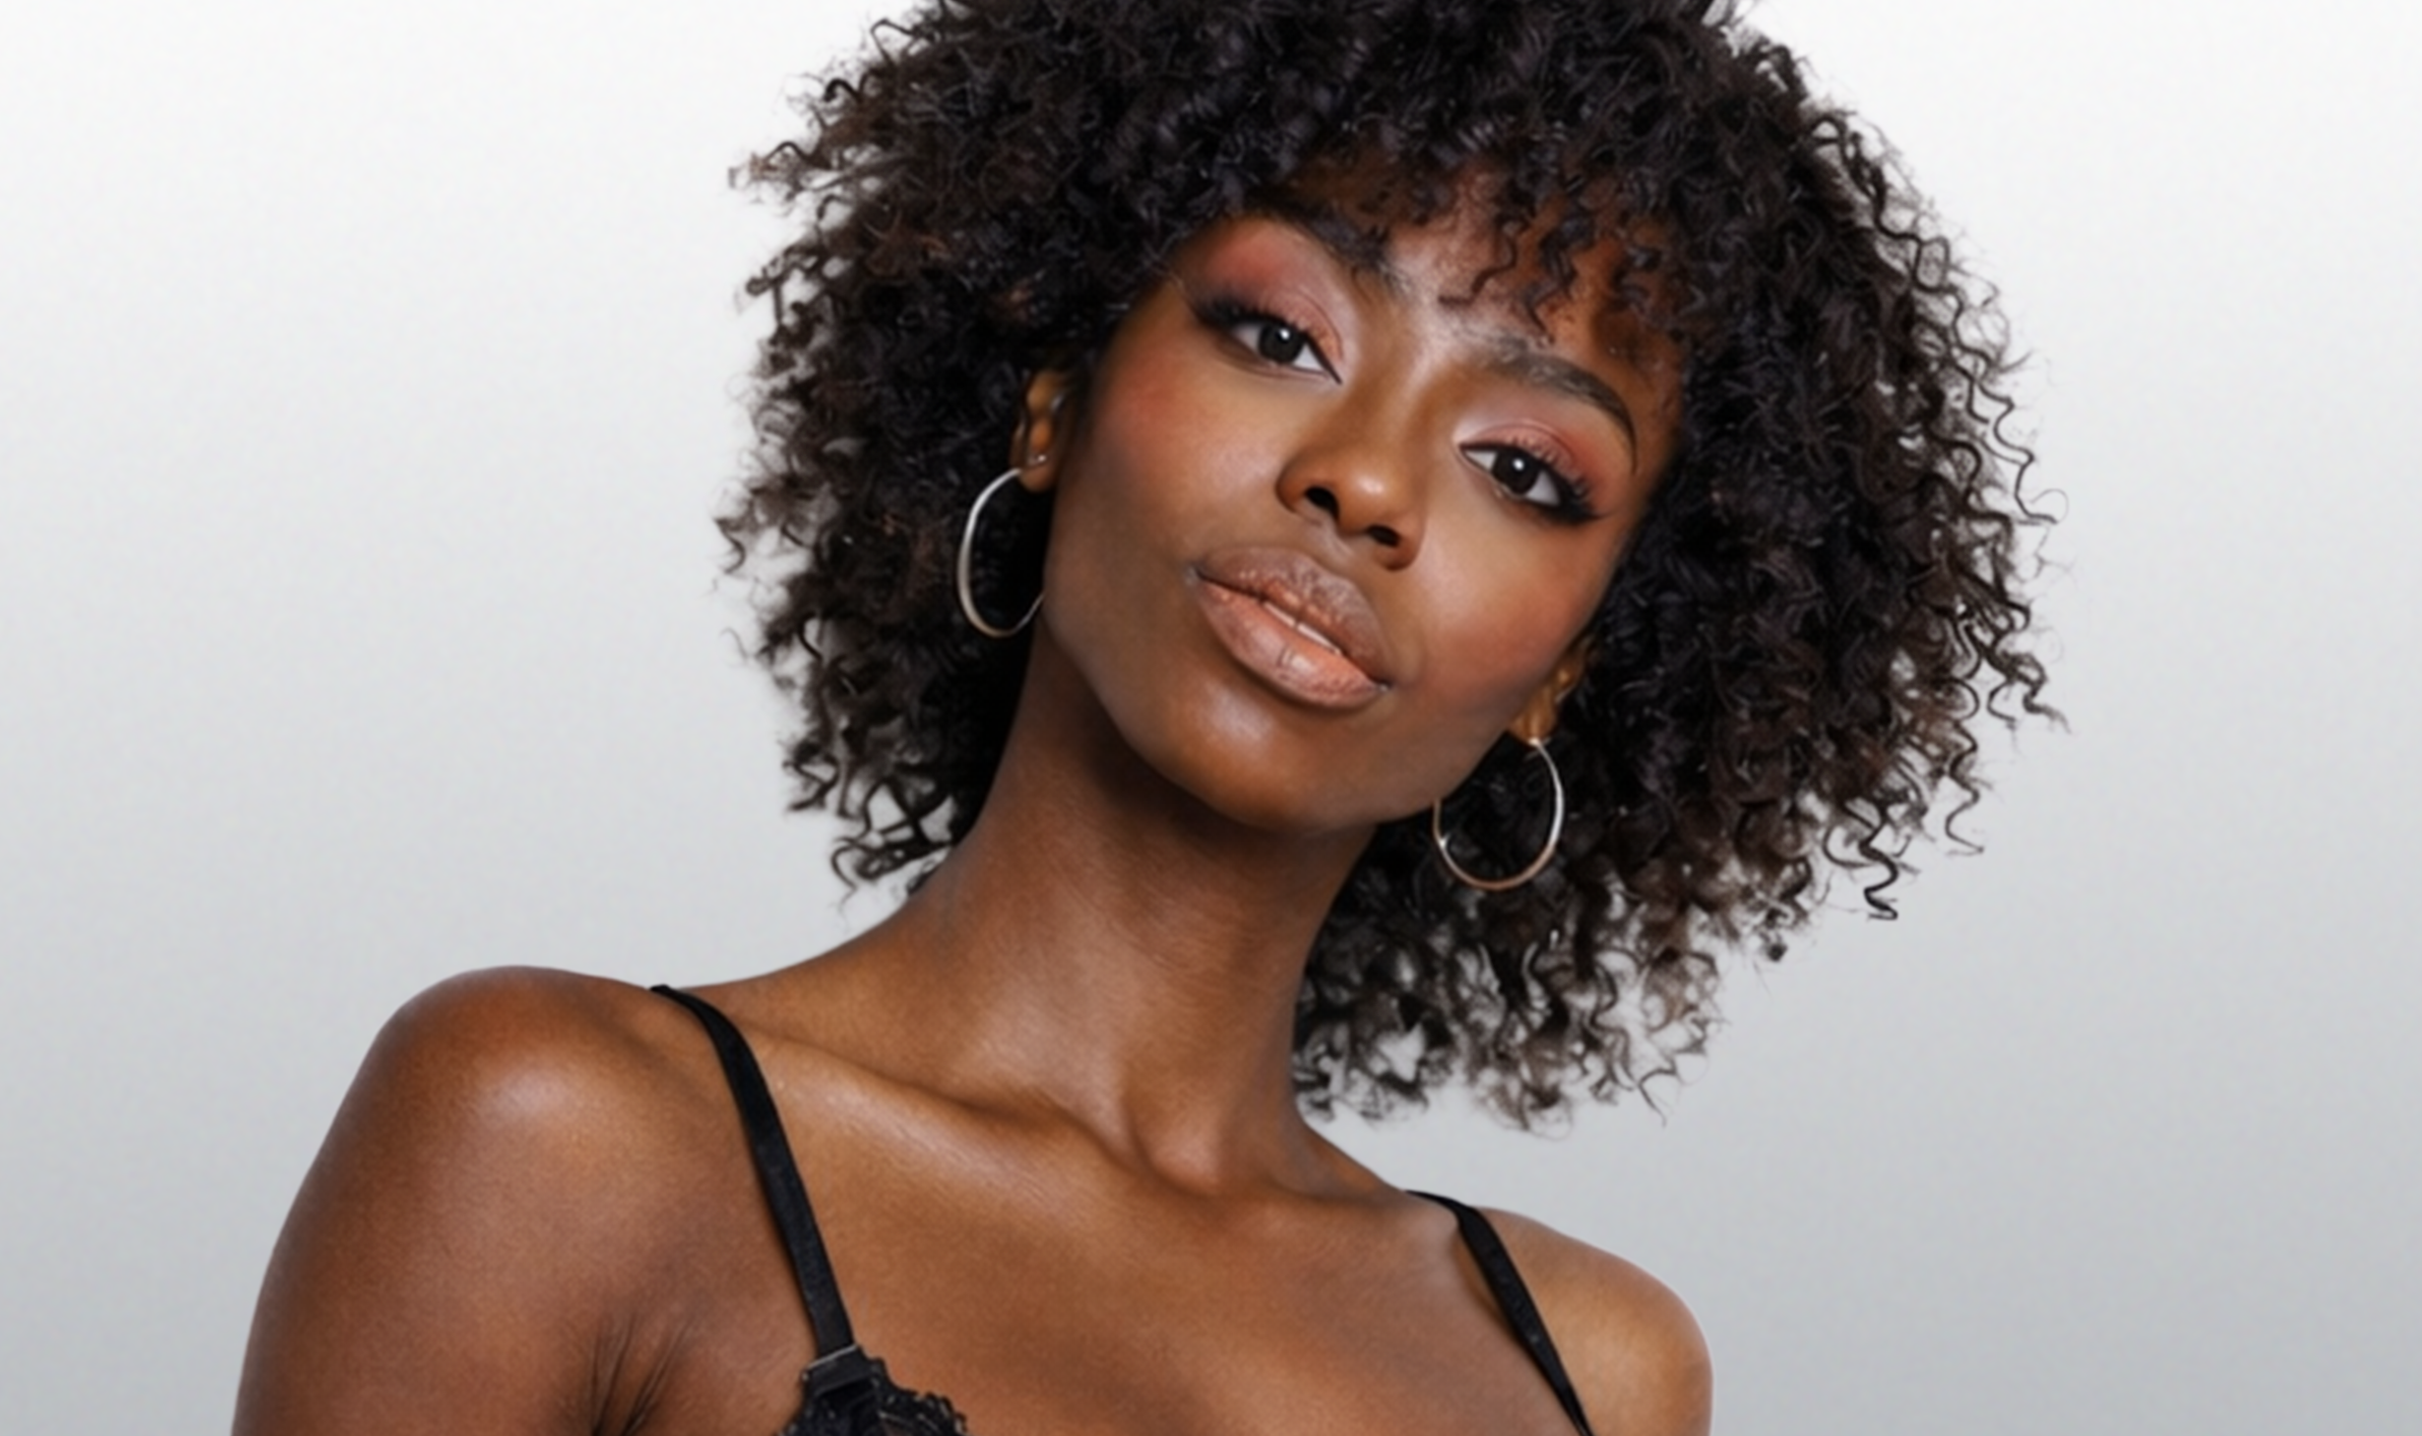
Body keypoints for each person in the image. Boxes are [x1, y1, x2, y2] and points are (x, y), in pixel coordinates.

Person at [233, 1, 2048, 1432]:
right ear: (1053, 400)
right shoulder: (554, 1137)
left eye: (1522, 465)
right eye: (1280, 337)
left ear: (1570, 664)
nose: (1363, 483)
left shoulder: (1593, 1372)